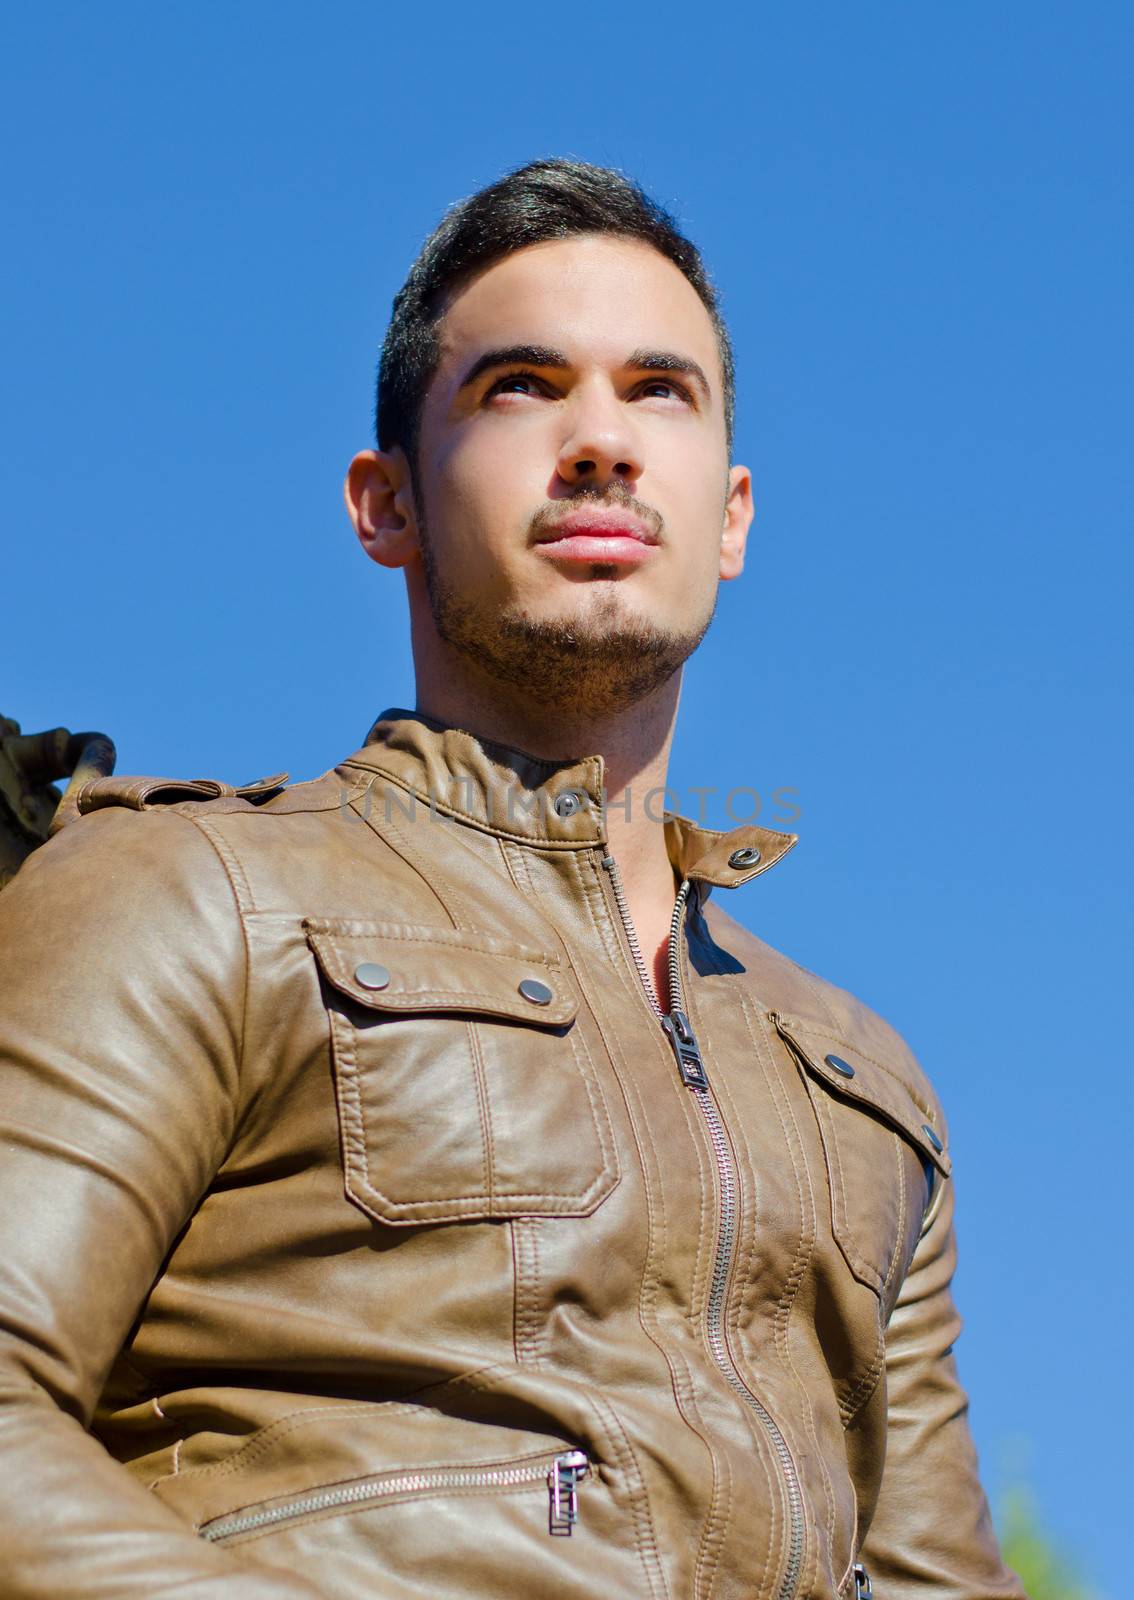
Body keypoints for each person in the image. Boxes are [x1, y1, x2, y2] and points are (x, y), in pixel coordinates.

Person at [0, 159, 1023, 1599]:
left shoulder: (859, 1080)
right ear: (385, 503)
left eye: (658, 390)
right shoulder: (192, 893)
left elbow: (935, 1581)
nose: (600, 441)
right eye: (520, 387)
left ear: (730, 516)